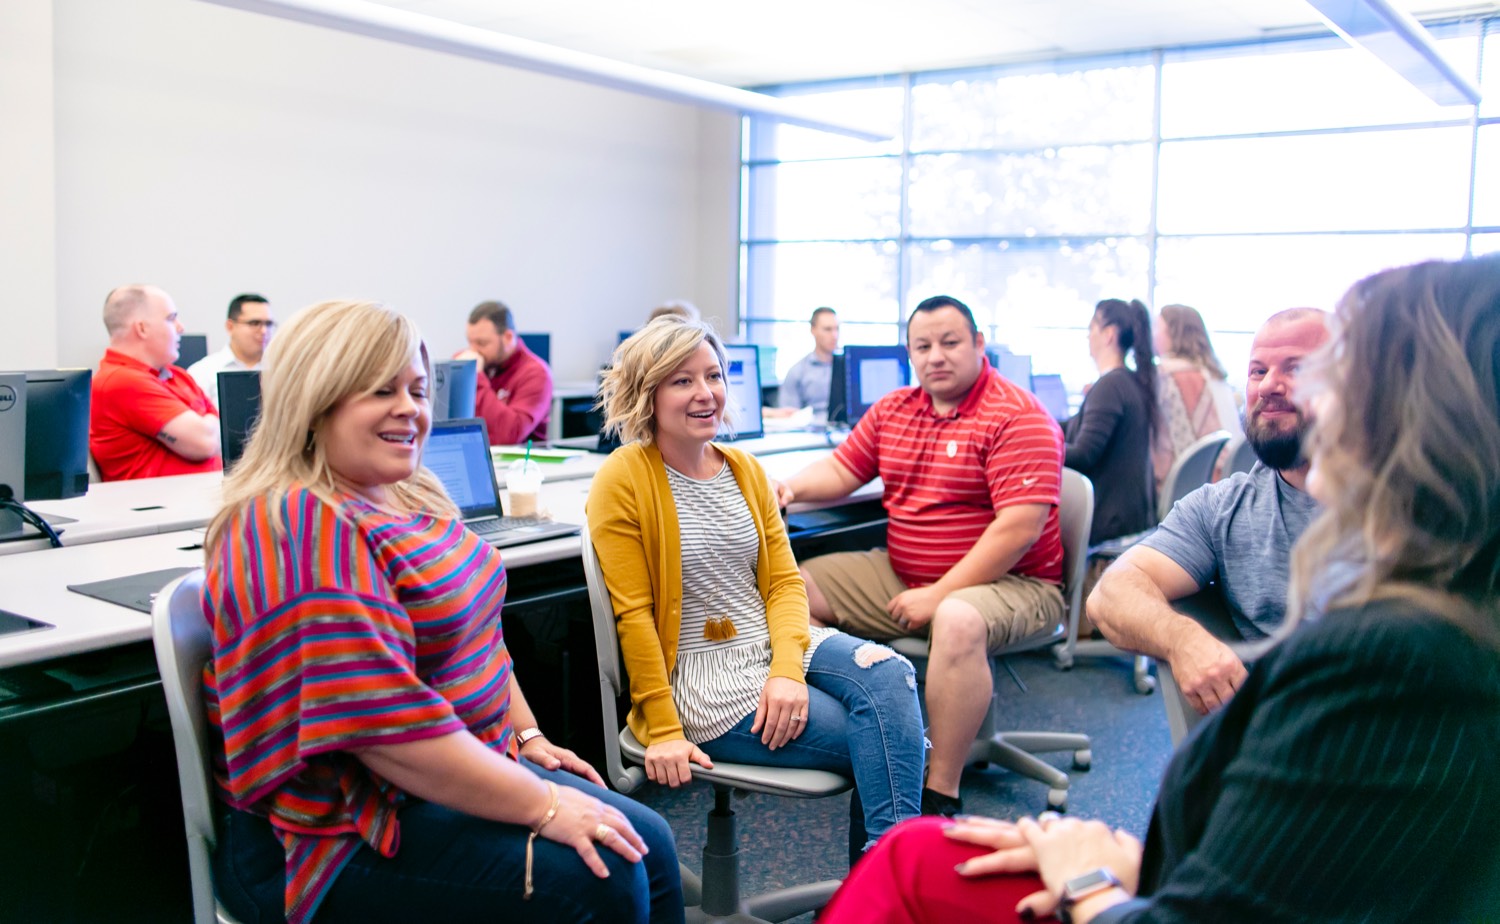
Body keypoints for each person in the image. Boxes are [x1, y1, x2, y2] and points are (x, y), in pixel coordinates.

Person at [819, 254, 1500, 923]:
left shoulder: (1392, 658)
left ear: (1426, 425)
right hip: (1228, 868)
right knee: (917, 851)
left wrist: (1090, 876)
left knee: (909, 863)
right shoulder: (1404, 601)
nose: (1291, 393)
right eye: (1260, 369)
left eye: (1334, 378)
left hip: (1198, 886)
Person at [201, 300, 682, 924]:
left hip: (433, 782)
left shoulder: (405, 493)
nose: (412, 408)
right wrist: (543, 806)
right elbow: (384, 731)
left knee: (650, 845)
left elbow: (473, 633)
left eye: (418, 389)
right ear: (314, 399)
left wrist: (526, 737)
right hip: (335, 833)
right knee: (604, 875)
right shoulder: (298, 525)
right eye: (382, 390)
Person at [587, 314, 925, 857]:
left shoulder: (742, 467)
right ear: (647, 394)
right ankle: (894, 885)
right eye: (683, 381)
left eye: (714, 376)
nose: (706, 394)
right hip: (704, 680)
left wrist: (786, 671)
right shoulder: (624, 477)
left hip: (775, 647)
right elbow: (635, 616)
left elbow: (786, 585)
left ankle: (885, 884)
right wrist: (665, 729)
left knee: (893, 677)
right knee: (888, 739)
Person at [778, 295, 1065, 818]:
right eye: (923, 346)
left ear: (979, 344)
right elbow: (844, 472)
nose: (936, 356)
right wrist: (787, 489)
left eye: (950, 343)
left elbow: (1019, 529)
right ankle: (846, 733)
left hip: (1017, 582)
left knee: (955, 619)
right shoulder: (896, 409)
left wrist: (939, 593)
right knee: (794, 588)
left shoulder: (1017, 415)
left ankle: (938, 794)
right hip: (903, 571)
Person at [1087, 309, 1327, 715]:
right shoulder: (1222, 509)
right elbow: (1109, 595)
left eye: (1296, 368)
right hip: (1288, 747)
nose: (1269, 385)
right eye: (1256, 371)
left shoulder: (1418, 507)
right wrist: (1182, 639)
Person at [90, 284, 222, 481]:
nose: (181, 327)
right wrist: (209, 423)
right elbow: (205, 442)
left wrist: (209, 427)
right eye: (171, 318)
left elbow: (224, 433)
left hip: (203, 502)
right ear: (142, 328)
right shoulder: (120, 381)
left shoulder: (178, 375)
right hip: (163, 508)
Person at [1063, 298, 1158, 545]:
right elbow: (1074, 426)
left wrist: (1037, 451)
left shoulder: (1110, 386)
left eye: (1091, 328)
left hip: (1109, 531)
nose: (1087, 336)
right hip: (1131, 522)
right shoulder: (1128, 381)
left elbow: (1084, 454)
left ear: (1109, 335)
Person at [1151, 303, 1242, 487]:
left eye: (1157, 328)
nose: (1153, 335)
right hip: (1228, 478)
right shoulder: (1215, 374)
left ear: (1173, 333)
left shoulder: (1166, 375)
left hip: (1187, 488)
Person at [456, 300, 552, 444]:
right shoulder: (468, 361)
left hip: (519, 463)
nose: (473, 350)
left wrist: (475, 379)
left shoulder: (536, 374)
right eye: (470, 342)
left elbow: (509, 435)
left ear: (507, 338)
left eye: (482, 343)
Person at [186, 293, 275, 409]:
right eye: (255, 323)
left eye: (268, 324)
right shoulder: (202, 372)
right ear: (230, 326)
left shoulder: (282, 370)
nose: (264, 331)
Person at [776, 306, 839, 416]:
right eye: (827, 329)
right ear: (813, 330)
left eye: (836, 329)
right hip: (812, 430)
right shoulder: (797, 372)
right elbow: (789, 417)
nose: (834, 335)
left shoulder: (848, 370)